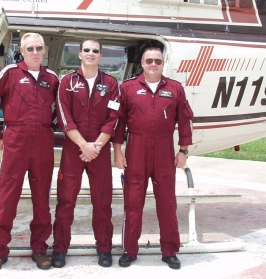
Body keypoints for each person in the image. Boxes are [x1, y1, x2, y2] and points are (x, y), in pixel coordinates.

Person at [0, 33, 59, 272]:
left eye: (39, 48)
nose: (35, 52)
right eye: (30, 48)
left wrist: (50, 126)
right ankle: (0, 249)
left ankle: (40, 249)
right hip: (15, 141)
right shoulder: (10, 73)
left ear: (44, 50)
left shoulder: (52, 78)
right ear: (22, 51)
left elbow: (63, 107)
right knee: (7, 196)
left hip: (43, 143)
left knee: (42, 199)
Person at [113, 47, 193, 269]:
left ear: (163, 62)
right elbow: (119, 122)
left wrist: (183, 150)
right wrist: (118, 151)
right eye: (149, 60)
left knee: (167, 202)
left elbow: (186, 120)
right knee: (133, 202)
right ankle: (129, 249)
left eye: (157, 61)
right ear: (142, 62)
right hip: (136, 148)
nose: (153, 64)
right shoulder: (128, 88)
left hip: (164, 149)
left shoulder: (175, 88)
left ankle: (169, 250)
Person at [51, 39, 120, 268]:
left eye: (95, 51)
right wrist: (84, 145)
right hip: (74, 150)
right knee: (66, 201)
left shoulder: (110, 83)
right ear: (80, 54)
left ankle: (104, 248)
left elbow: (113, 118)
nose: (91, 53)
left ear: (101, 56)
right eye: (87, 50)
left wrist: (96, 147)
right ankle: (60, 249)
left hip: (99, 150)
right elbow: (64, 117)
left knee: (102, 203)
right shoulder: (67, 82)